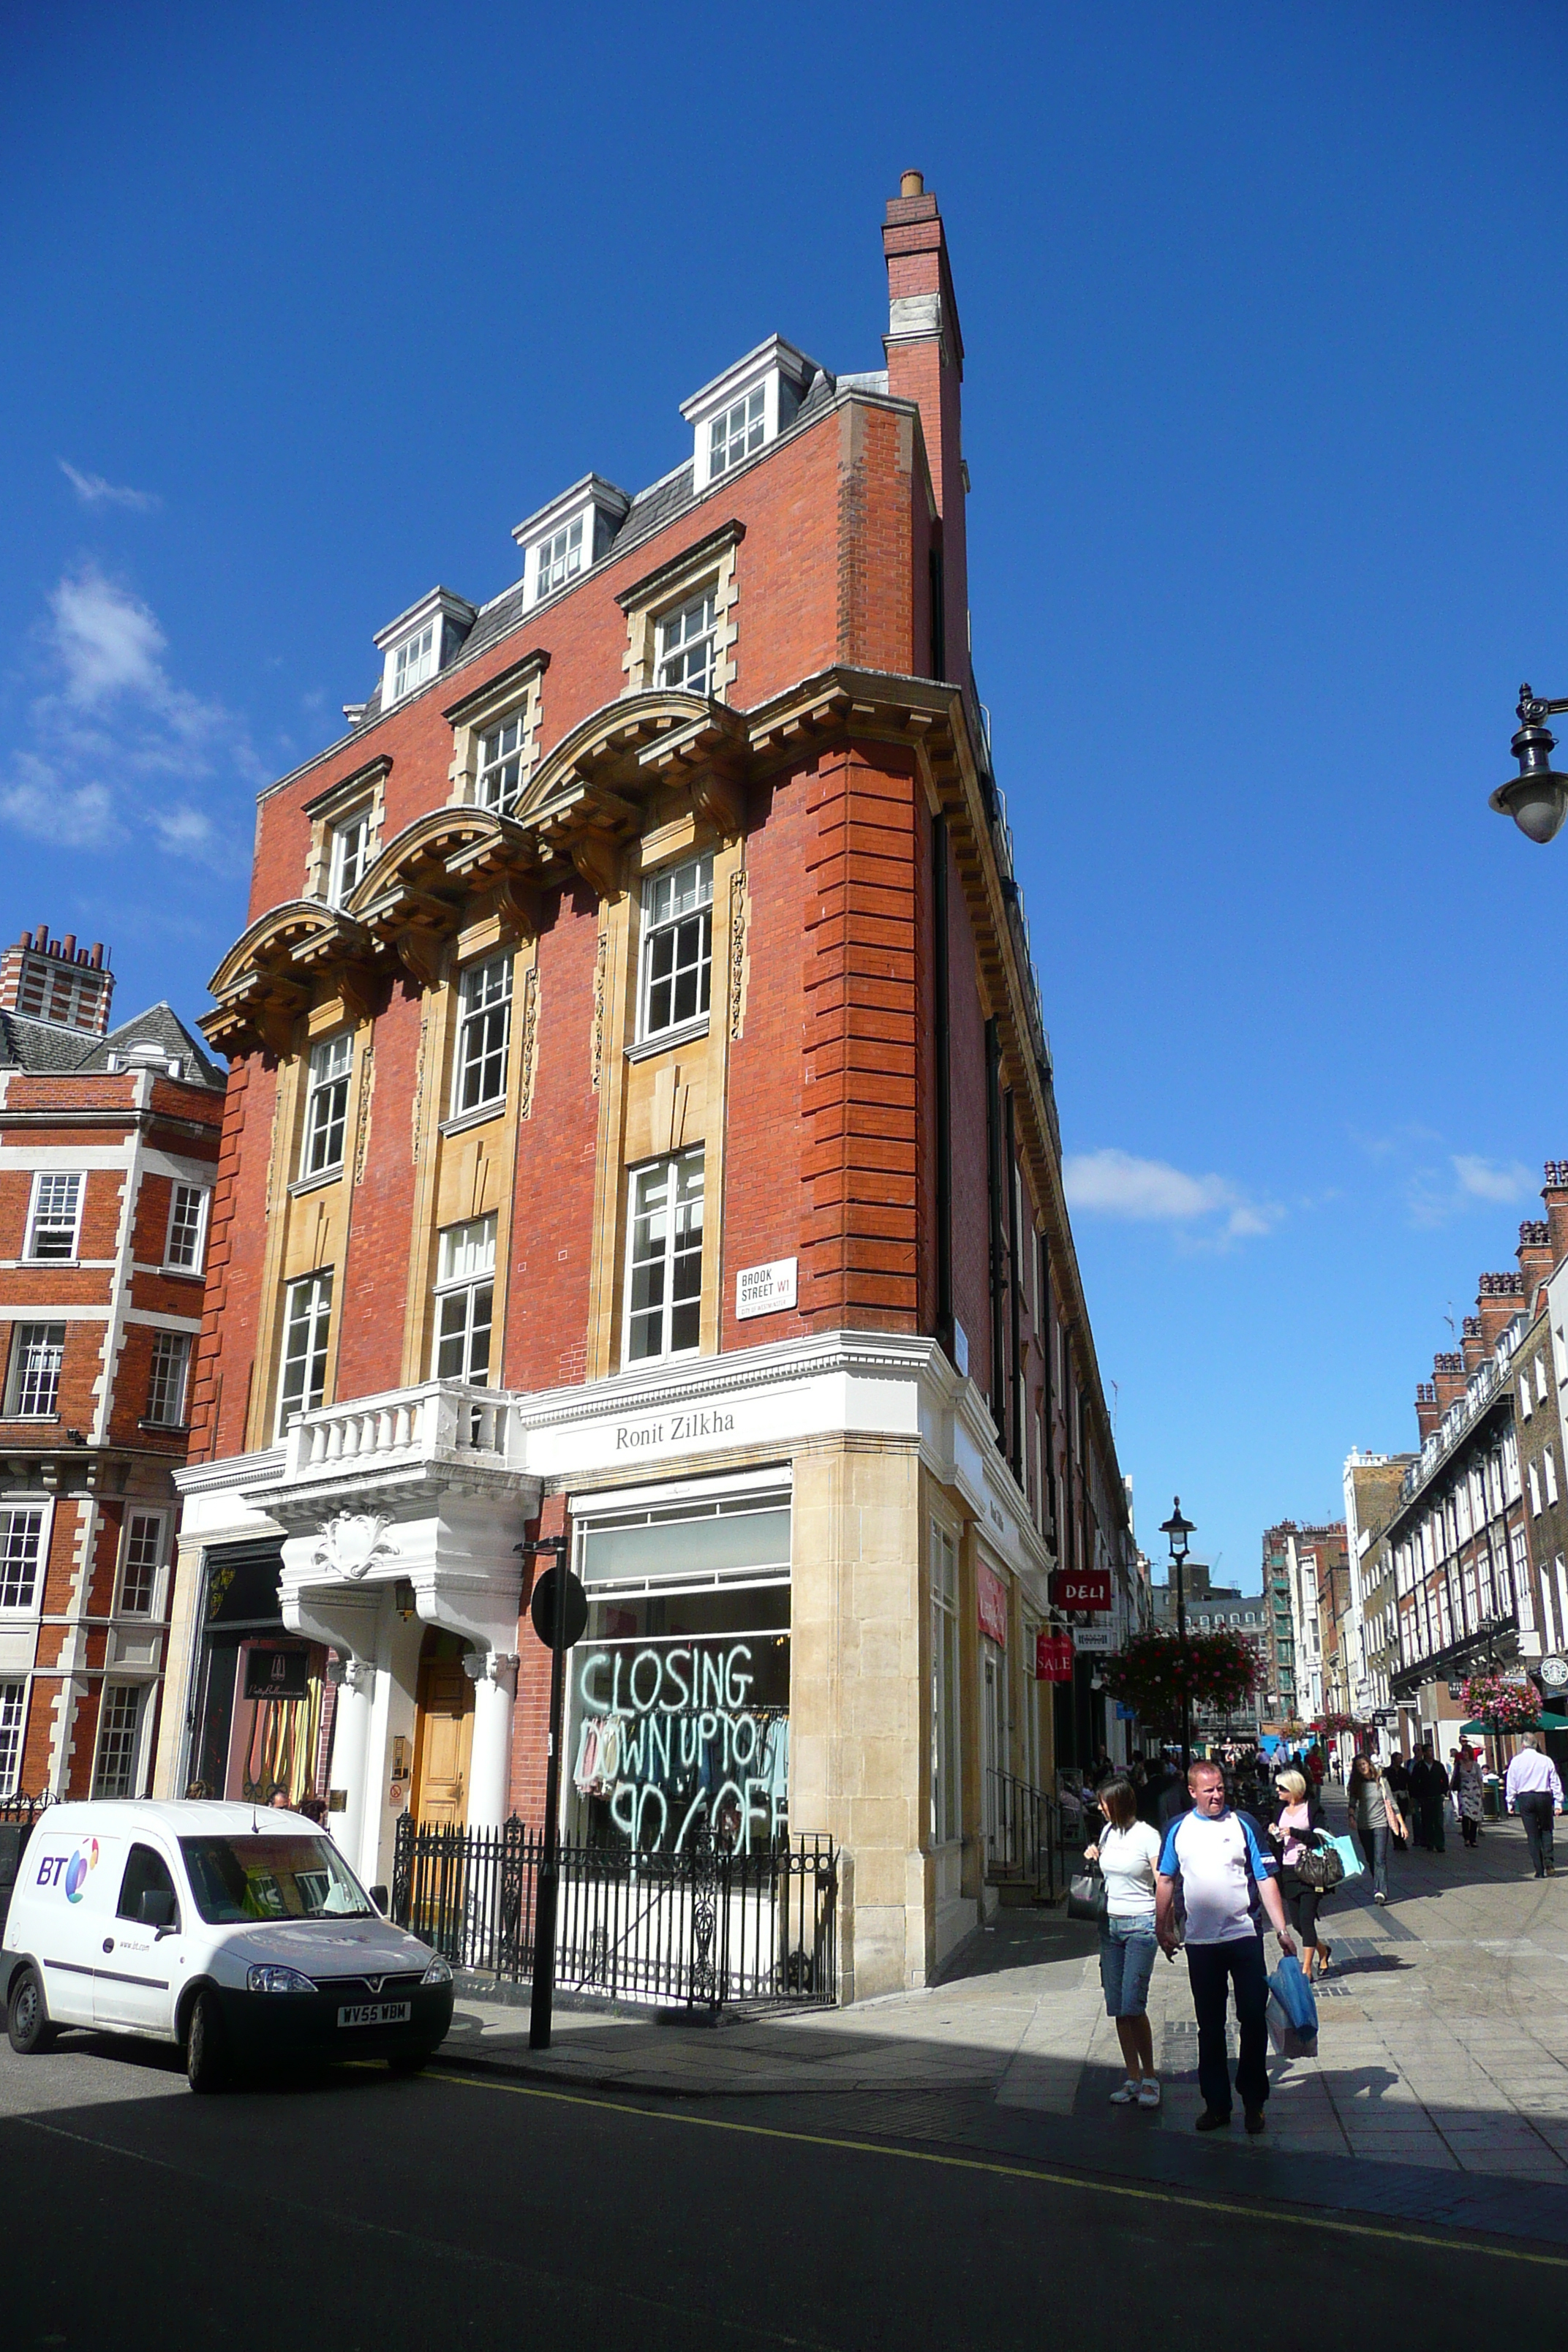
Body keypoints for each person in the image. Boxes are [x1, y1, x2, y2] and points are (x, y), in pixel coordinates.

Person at [1156, 1760, 1297, 2136]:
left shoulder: (1244, 1824)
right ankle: (1216, 2104)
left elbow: (1265, 1878)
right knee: (1210, 2027)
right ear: (1192, 1792)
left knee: (1252, 2019)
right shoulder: (1177, 1830)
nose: (1217, 1795)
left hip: (1244, 1937)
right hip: (1201, 1943)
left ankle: (1254, 2103)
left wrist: (1282, 1929)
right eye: (1208, 1790)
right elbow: (1166, 1880)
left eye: (1220, 1788)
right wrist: (1162, 1927)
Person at [1083, 1776, 1165, 2109]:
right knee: (1117, 2005)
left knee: (1134, 2003)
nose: (1100, 1808)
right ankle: (1132, 2076)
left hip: (1142, 1926)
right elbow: (1107, 1870)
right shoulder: (1107, 1832)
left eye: (1104, 1802)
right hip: (1111, 1926)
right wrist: (1093, 1854)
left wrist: (1166, 1924)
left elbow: (1163, 1881)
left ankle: (1150, 2077)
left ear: (1118, 1803)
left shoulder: (1148, 1836)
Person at [1270, 1767, 1332, 1979]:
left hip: (1310, 1868)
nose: (1277, 1791)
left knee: (1306, 1920)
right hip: (1288, 1869)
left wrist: (1294, 1832)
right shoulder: (1280, 1809)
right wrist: (1273, 1832)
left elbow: (1320, 1837)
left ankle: (1307, 1970)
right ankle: (1323, 1951)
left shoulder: (1312, 1808)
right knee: (1296, 1922)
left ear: (1294, 1789)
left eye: (1282, 1788)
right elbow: (1275, 1841)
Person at [1504, 1733, 1564, 1877]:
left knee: (1532, 1834)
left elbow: (1511, 1782)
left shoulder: (1516, 1761)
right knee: (1546, 1829)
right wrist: (1558, 1802)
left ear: (1523, 1745)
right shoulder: (1545, 1760)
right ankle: (1549, 1860)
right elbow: (1554, 1781)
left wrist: (1510, 1802)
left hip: (1525, 1797)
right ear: (1536, 1745)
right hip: (1543, 1796)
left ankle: (1539, 1869)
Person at [1348, 1753, 1400, 1904]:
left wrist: (1401, 1823)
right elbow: (1352, 1804)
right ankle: (1378, 1883)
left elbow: (1391, 1801)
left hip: (1381, 1824)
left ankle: (1380, 1891)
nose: (1362, 1767)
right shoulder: (1356, 1784)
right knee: (1371, 1859)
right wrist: (1351, 1817)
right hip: (1364, 1825)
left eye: (1364, 1764)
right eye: (1359, 1766)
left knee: (1380, 1858)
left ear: (1369, 1764)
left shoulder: (1381, 1781)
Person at [1409, 1741, 1447, 1852]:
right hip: (1425, 1797)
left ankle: (1440, 1844)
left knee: (1439, 1821)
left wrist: (1443, 1792)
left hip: (1437, 1796)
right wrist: (1415, 1796)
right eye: (1429, 1751)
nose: (1431, 1753)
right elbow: (1414, 1782)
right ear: (1424, 1753)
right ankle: (1429, 1842)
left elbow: (1444, 1779)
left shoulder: (1438, 1766)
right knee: (1427, 1821)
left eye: (1432, 1751)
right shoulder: (1419, 1766)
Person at [1450, 1744, 1485, 1849]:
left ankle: (1473, 1839)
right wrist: (1450, 1788)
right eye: (1463, 1752)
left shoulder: (1476, 1765)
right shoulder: (1459, 1765)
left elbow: (1479, 1779)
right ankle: (1467, 1838)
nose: (1465, 1754)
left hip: (1475, 1792)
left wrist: (1482, 1791)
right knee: (1466, 1815)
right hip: (1464, 1791)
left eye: (1467, 1752)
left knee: (1475, 1817)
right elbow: (1454, 1777)